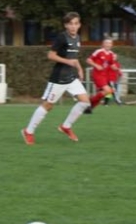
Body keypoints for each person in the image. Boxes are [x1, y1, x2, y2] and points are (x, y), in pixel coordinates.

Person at [21, 11, 90, 145]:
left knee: (85, 102)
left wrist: (79, 69)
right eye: (70, 24)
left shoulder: (77, 38)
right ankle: (28, 131)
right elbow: (51, 55)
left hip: (71, 77)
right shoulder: (62, 38)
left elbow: (74, 58)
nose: (73, 26)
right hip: (58, 78)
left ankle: (66, 126)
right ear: (66, 25)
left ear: (79, 25)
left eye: (76, 23)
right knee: (48, 106)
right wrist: (67, 61)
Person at [85, 37, 123, 113]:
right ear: (103, 44)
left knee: (104, 93)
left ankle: (90, 107)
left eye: (110, 43)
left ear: (112, 45)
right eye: (106, 43)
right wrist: (96, 65)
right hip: (98, 75)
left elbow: (112, 65)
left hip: (105, 77)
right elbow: (88, 60)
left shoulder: (111, 54)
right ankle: (88, 102)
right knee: (108, 90)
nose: (108, 45)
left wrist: (117, 69)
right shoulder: (99, 51)